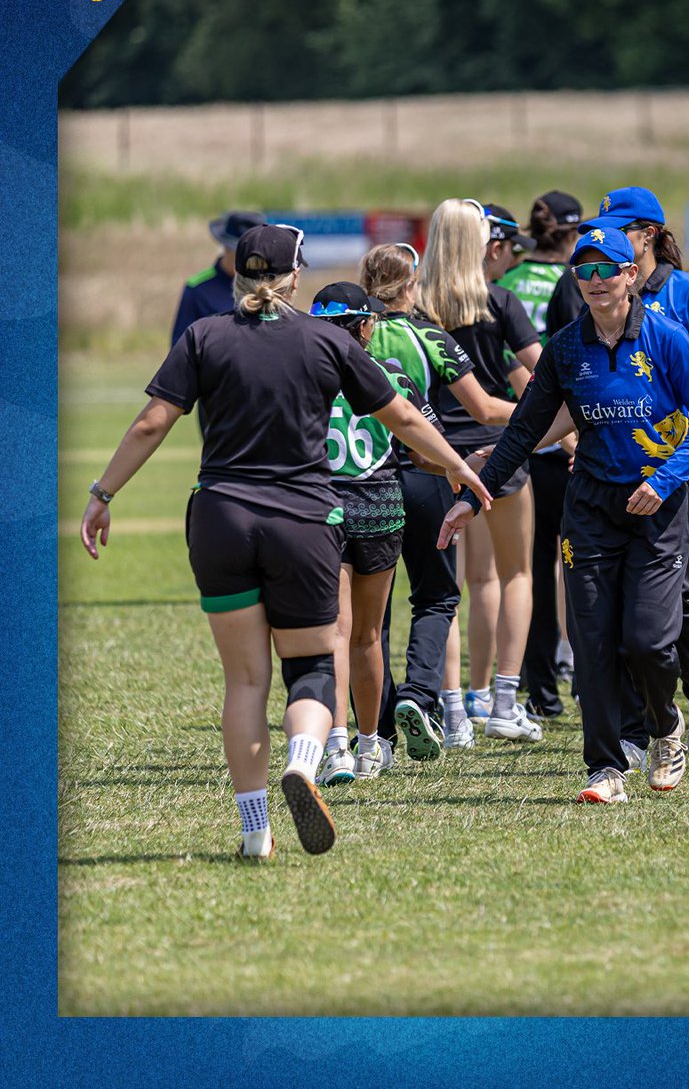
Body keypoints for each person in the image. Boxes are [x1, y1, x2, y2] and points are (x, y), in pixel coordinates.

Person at [81, 224, 491, 859]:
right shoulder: (326, 338)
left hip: (219, 518)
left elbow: (151, 421)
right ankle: (304, 760)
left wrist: (103, 494)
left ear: (240, 277)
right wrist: (458, 465)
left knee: (245, 681)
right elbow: (403, 417)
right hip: (302, 521)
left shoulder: (203, 335)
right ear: (294, 277)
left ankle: (253, 831)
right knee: (310, 668)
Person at [439, 226, 689, 803]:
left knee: (646, 643)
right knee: (592, 641)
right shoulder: (567, 347)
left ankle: (664, 726)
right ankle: (605, 767)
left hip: (655, 509)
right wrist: (472, 497)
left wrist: (666, 479)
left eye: (604, 270)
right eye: (583, 272)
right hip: (590, 508)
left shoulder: (667, 338)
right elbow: (522, 432)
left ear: (630, 275)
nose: (593, 281)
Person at [580, 187, 689, 762]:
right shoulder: (602, 289)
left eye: (620, 228)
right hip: (613, 481)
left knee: (683, 599)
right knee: (618, 608)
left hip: (678, 473)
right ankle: (634, 727)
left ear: (646, 234)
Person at [359, 241, 521, 759]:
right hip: (425, 473)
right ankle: (422, 695)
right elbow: (486, 408)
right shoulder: (427, 334)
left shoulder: (349, 334)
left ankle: (376, 734)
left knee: (371, 618)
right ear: (412, 286)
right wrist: (547, 415)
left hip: (364, 478)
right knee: (436, 596)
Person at [419, 198, 544, 748]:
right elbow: (540, 377)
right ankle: (502, 701)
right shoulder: (499, 302)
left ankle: (453, 713)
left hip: (431, 454)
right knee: (510, 576)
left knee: (443, 589)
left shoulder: (412, 309)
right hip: (498, 453)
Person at [308, 281, 443, 786]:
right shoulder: (392, 376)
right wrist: (460, 466)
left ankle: (336, 746)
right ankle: (371, 747)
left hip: (325, 509)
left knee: (335, 635)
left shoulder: (305, 376)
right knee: (368, 635)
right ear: (367, 327)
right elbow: (425, 450)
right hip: (382, 507)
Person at [497, 192, 584, 720]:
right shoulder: (579, 279)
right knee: (577, 563)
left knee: (524, 570)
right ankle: (579, 669)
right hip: (569, 431)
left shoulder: (504, 284)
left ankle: (540, 689)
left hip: (517, 435)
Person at [171, 210, 266, 346]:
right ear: (226, 247)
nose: (246, 260)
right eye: (240, 253)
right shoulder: (197, 289)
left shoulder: (269, 288)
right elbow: (180, 349)